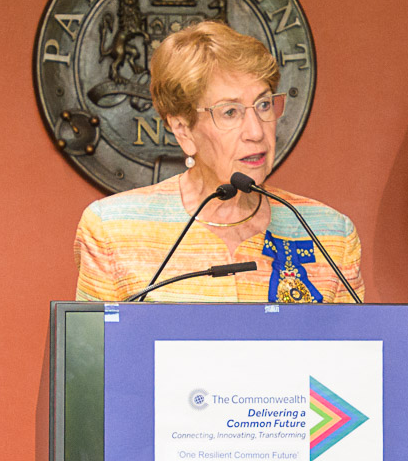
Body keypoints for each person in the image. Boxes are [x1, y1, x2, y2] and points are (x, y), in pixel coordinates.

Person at [74, 21, 364, 303]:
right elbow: (92, 351)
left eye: (263, 105)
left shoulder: (330, 236)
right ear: (183, 130)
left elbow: (355, 349)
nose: (256, 131)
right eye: (230, 112)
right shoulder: (114, 232)